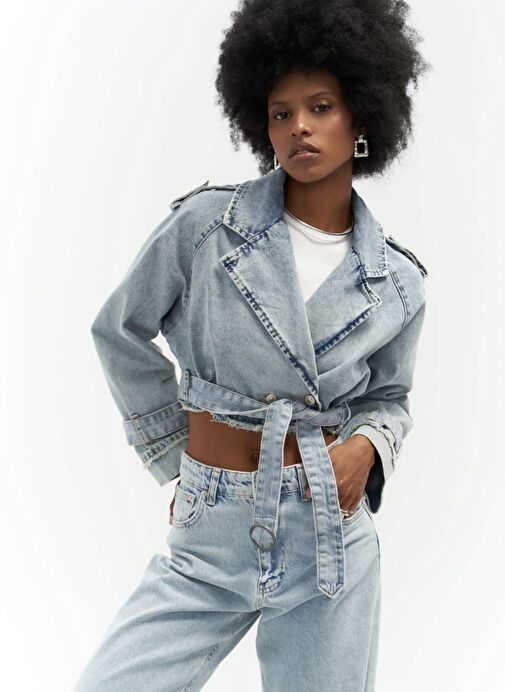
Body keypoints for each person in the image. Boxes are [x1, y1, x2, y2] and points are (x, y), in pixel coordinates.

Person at [73, 1, 431, 690]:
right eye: (280, 112)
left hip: (331, 538)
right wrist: (176, 458)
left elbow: (389, 396)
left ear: (361, 117)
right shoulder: (206, 227)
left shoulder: (398, 282)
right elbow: (118, 330)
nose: (299, 126)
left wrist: (369, 446)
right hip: (212, 526)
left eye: (321, 107)